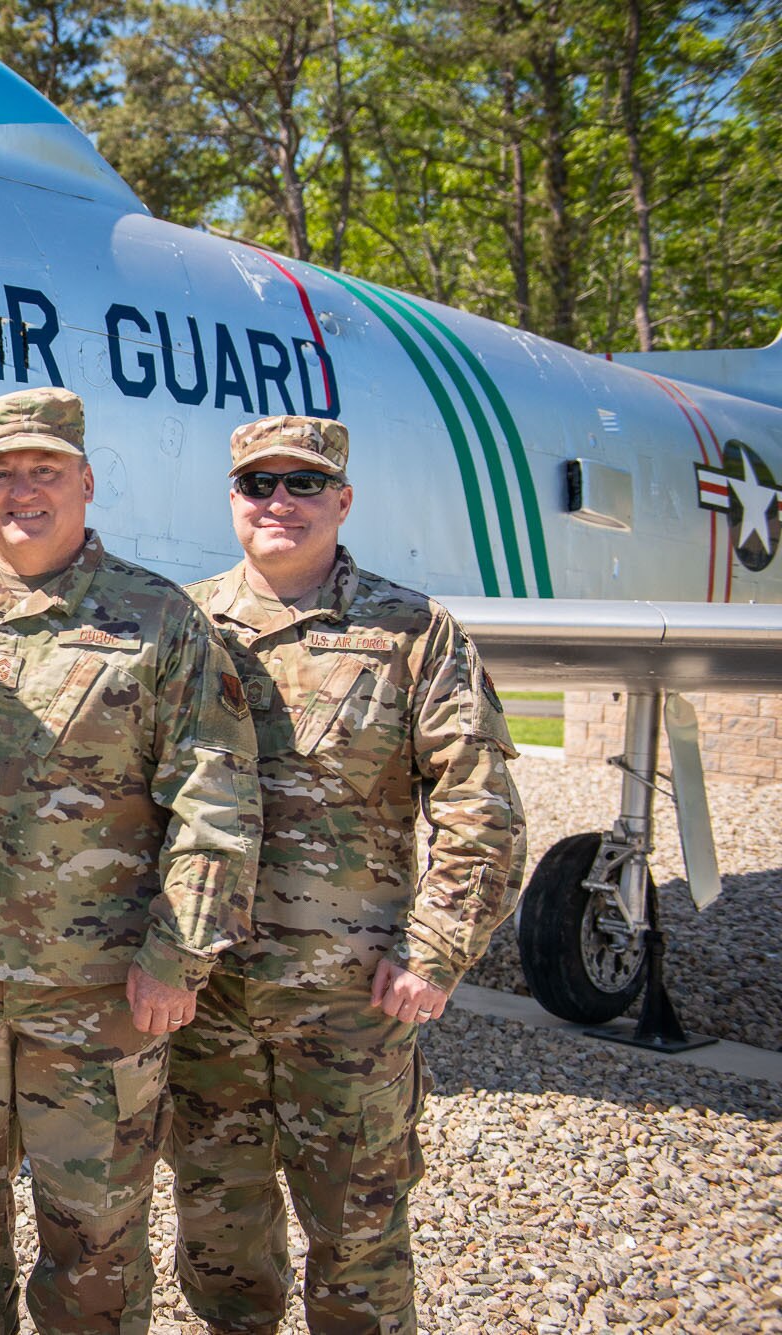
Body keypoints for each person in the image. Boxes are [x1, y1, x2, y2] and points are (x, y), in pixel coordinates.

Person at [0, 385, 264, 1335]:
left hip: (100, 1001)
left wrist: (178, 957)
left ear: (87, 481)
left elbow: (216, 799)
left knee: (94, 1248)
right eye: (0, 472)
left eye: (44, 471)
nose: (22, 490)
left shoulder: (159, 620)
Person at [170, 414, 527, 1335]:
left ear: (343, 499)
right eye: (259, 484)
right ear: (234, 498)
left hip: (354, 1006)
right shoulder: (184, 624)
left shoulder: (413, 631)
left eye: (303, 484)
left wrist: (437, 949)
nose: (279, 502)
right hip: (211, 1003)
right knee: (219, 1238)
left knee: (359, 1246)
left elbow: (479, 805)